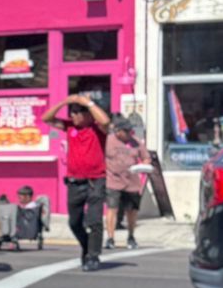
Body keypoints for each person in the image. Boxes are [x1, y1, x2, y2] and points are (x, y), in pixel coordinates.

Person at [48, 93, 112, 271]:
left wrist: (88, 103)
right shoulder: (69, 127)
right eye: (72, 112)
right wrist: (63, 101)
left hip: (95, 180)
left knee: (94, 220)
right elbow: (47, 118)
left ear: (89, 114)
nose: (73, 116)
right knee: (74, 222)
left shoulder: (98, 128)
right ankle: (86, 246)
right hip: (75, 182)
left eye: (78, 112)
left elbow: (106, 121)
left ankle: (93, 255)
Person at [104, 116, 149, 251]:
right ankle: (110, 238)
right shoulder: (108, 141)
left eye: (130, 131)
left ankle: (131, 236)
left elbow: (146, 157)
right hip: (113, 180)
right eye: (126, 131)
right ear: (118, 131)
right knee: (112, 209)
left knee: (132, 211)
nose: (129, 134)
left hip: (132, 182)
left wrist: (144, 165)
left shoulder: (136, 142)